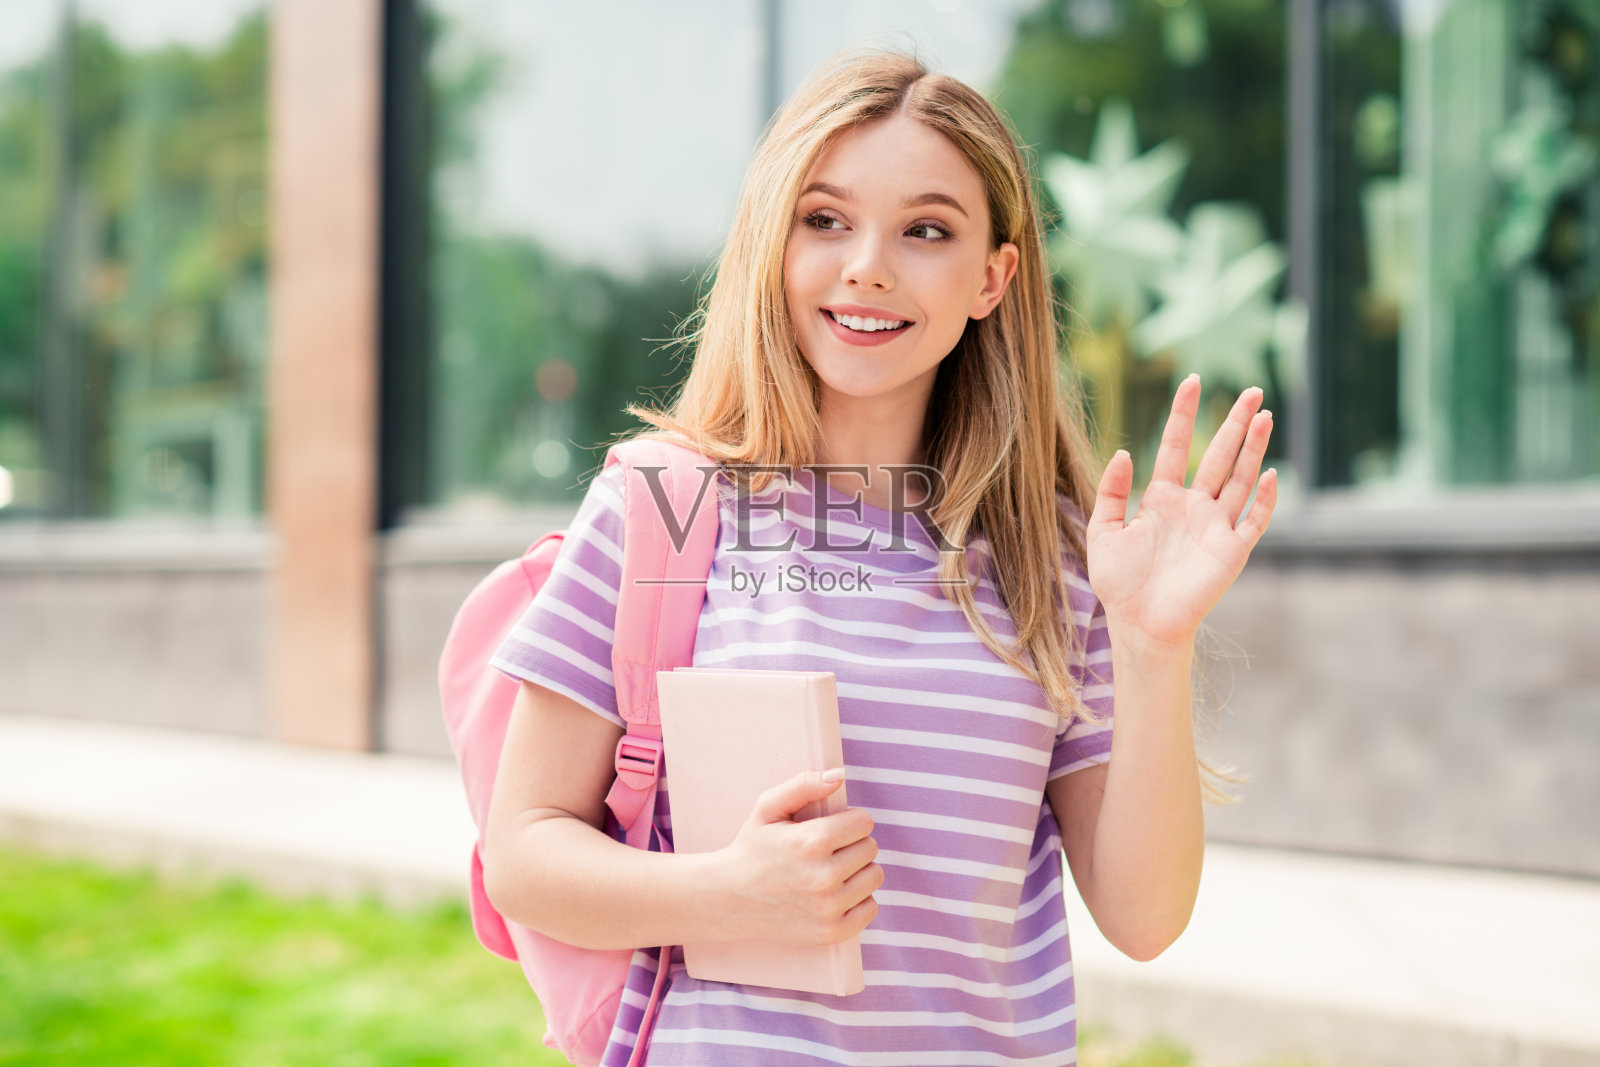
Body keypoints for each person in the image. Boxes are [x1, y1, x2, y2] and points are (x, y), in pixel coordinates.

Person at [480, 44, 1276, 1066]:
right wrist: (726, 891)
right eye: (825, 219)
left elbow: (1144, 916)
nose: (868, 264)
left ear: (993, 277)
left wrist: (1154, 643)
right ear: (774, 244)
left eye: (926, 230)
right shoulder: (663, 509)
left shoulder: (1059, 557)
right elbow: (523, 853)